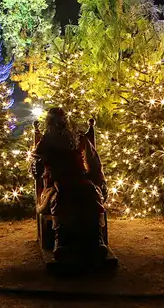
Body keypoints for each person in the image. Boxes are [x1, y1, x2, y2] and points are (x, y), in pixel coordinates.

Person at [34, 107, 108, 260]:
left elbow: (93, 161)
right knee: (62, 196)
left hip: (80, 179)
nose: (60, 122)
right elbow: (36, 166)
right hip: (56, 182)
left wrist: (97, 181)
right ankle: (61, 241)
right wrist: (40, 165)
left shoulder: (78, 138)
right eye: (56, 119)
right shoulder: (46, 142)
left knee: (90, 192)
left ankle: (96, 238)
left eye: (62, 119)